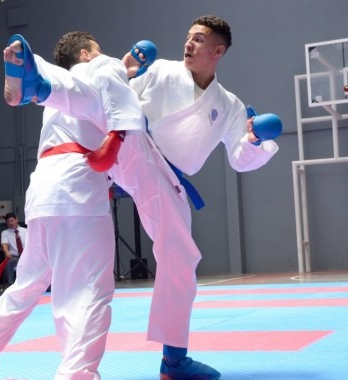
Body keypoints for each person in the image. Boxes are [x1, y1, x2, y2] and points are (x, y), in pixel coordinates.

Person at [0, 32, 149, 380]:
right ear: (86, 53)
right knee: (89, 291)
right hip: (79, 185)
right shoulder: (99, 68)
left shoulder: (62, 93)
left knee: (26, 286)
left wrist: (130, 69)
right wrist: (120, 123)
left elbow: (93, 96)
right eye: (98, 50)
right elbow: (110, 82)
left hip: (43, 188)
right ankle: (77, 374)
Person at [107, 15, 281, 379]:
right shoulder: (160, 72)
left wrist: (253, 141)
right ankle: (43, 86)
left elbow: (239, 160)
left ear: (218, 51)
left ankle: (174, 362)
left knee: (182, 258)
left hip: (168, 179)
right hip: (131, 147)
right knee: (115, 105)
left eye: (199, 40)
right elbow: (115, 103)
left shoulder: (230, 105)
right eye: (188, 37)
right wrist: (125, 71)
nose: (188, 44)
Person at [0, 212, 27, 286]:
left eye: (11, 220)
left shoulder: (26, 231)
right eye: (8, 222)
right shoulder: (5, 233)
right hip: (14, 257)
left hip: (26, 256)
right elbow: (4, 244)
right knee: (8, 261)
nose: (10, 223)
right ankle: (10, 283)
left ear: (16, 219)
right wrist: (6, 252)